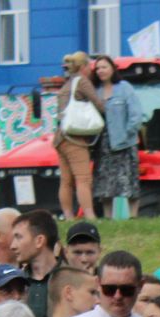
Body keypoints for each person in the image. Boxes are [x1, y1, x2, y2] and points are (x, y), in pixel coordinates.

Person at [93, 56, 146, 220]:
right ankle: (108, 218)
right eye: (98, 68)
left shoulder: (124, 88)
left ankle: (133, 216)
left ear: (112, 69)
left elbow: (136, 115)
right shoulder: (96, 91)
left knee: (129, 181)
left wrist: (127, 134)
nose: (101, 71)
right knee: (106, 184)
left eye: (104, 67)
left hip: (125, 143)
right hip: (103, 144)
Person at [54, 52, 103, 221]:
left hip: (60, 138)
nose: (91, 69)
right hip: (75, 137)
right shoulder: (81, 81)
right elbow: (98, 104)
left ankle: (68, 216)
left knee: (66, 181)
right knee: (83, 178)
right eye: (89, 65)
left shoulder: (65, 85)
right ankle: (89, 215)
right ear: (83, 67)